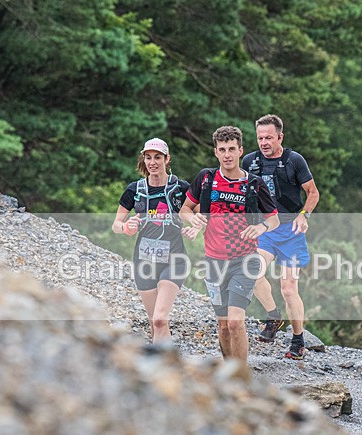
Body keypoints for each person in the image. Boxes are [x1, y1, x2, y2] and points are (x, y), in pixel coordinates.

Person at [180, 126, 280, 364]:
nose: (227, 155)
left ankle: (242, 375)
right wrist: (192, 218)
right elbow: (184, 209)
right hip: (214, 261)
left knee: (236, 321)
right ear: (216, 152)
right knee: (224, 325)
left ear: (240, 151)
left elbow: (274, 218)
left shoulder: (253, 184)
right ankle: (229, 375)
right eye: (222, 150)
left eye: (232, 149)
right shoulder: (206, 179)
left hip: (244, 260)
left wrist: (260, 228)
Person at [241, 114, 320, 360]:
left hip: (290, 232)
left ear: (280, 137)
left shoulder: (294, 161)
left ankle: (298, 340)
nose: (264, 142)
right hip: (265, 230)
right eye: (260, 138)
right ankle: (274, 317)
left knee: (288, 288)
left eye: (268, 138)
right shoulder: (250, 161)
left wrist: (304, 215)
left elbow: (313, 193)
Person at [113, 138, 192, 343]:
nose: (152, 162)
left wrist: (195, 227)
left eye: (157, 157)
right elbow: (116, 225)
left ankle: (167, 366)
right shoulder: (135, 189)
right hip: (144, 261)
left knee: (159, 319)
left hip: (174, 260)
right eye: (148, 158)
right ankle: (165, 368)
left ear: (167, 159)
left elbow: (202, 215)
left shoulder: (181, 188)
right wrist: (126, 227)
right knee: (154, 323)